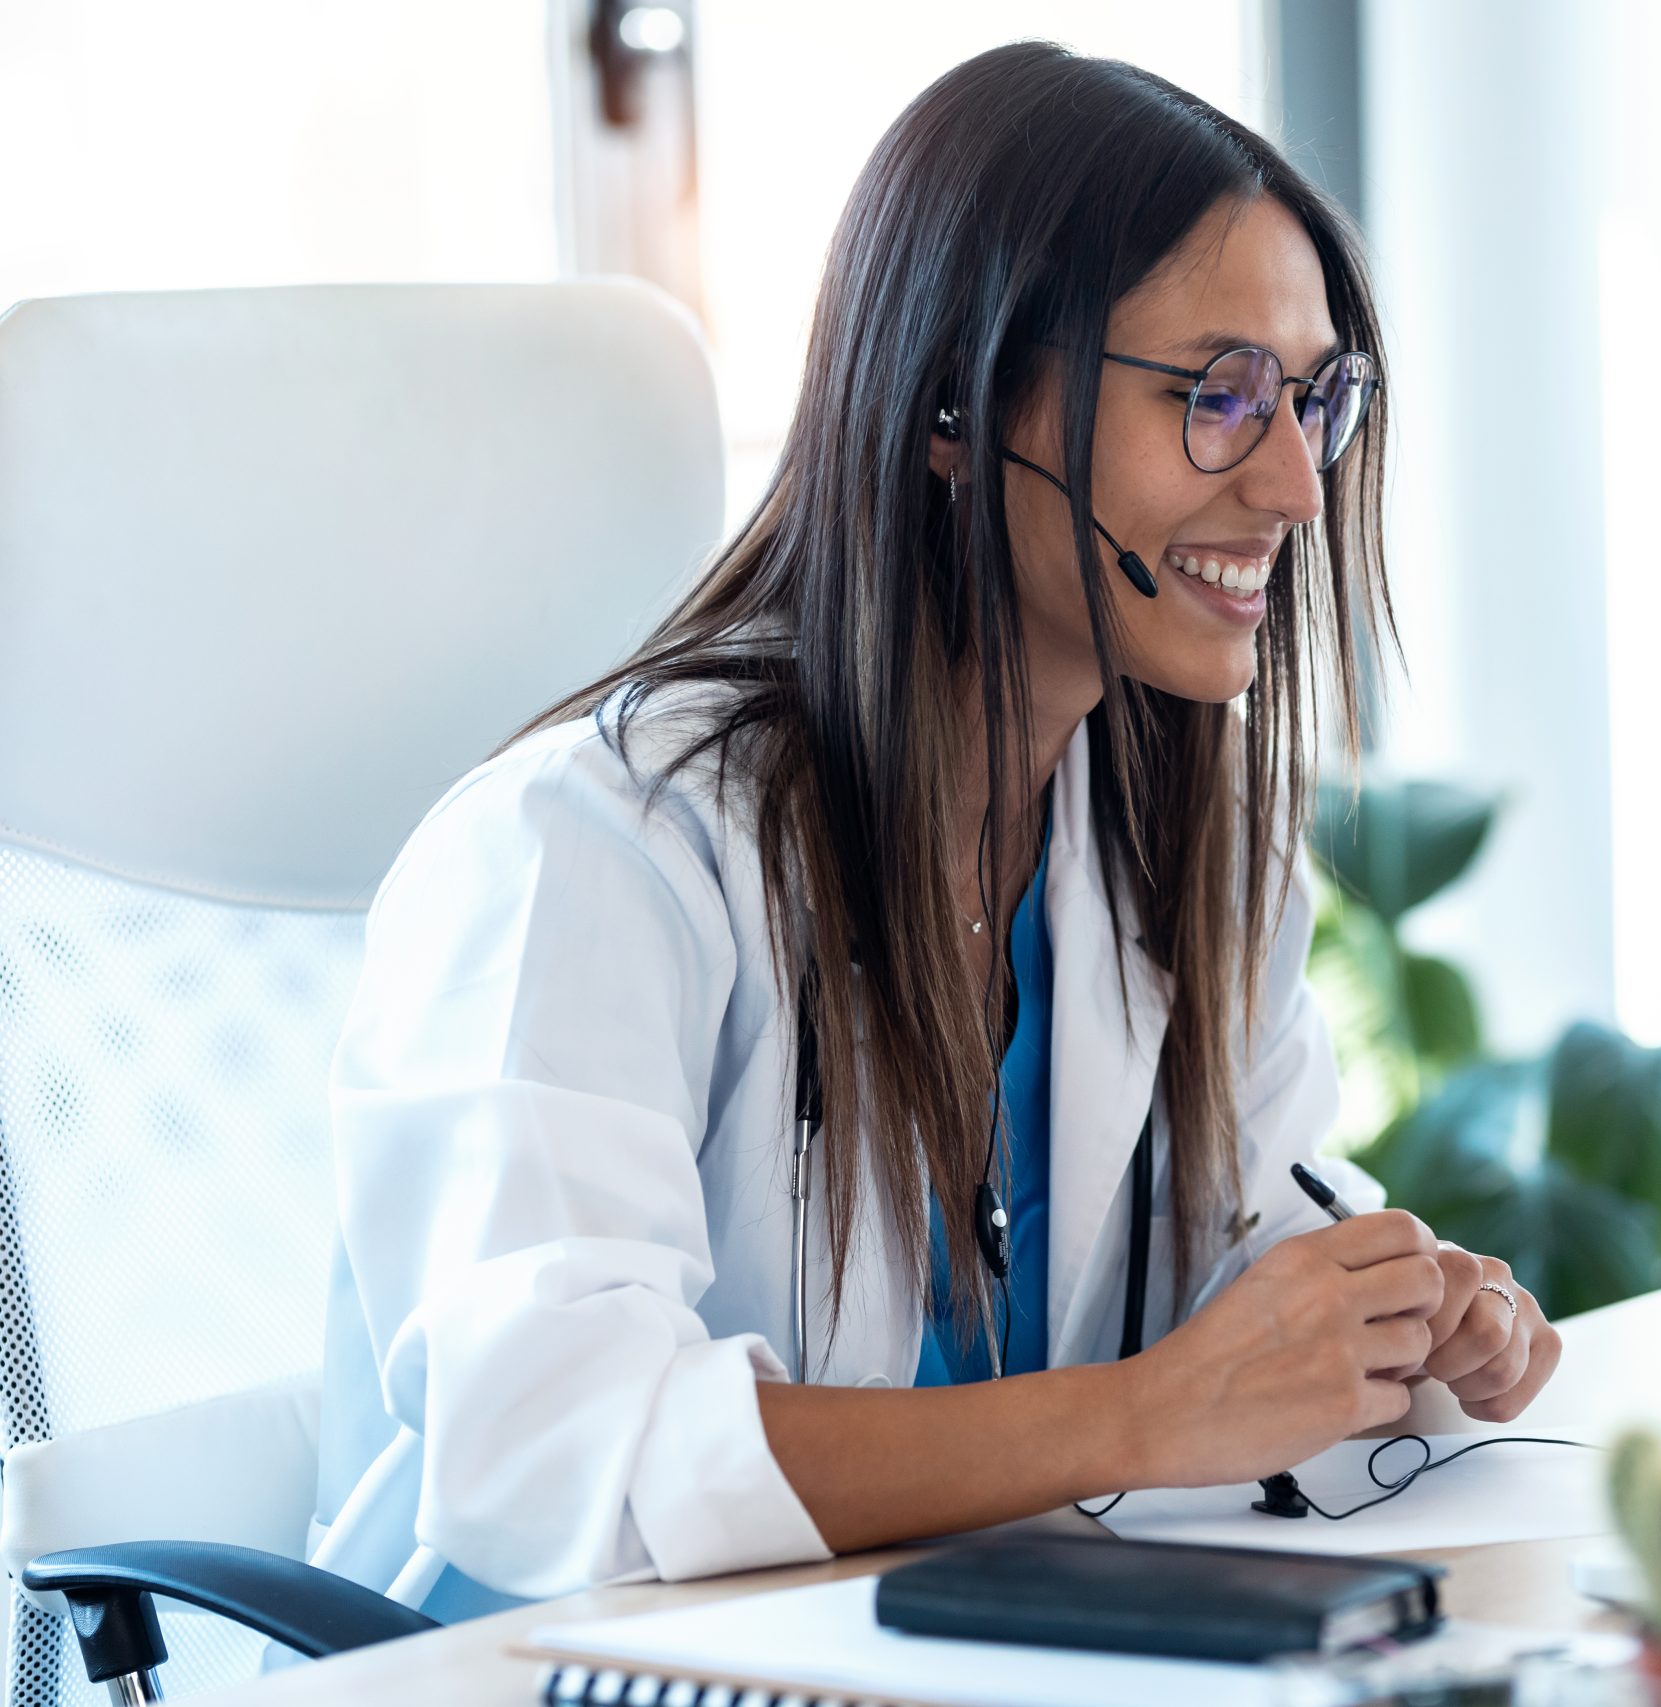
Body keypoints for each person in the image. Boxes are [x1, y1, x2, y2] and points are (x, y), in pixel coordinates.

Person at [305, 40, 1562, 1621]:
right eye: (1221, 396)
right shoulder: (598, 849)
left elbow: (1248, 1231)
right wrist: (1158, 1410)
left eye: (1317, 398)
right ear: (958, 407)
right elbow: (553, 1452)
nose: (1301, 485)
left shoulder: (1181, 841)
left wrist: (1385, 1319)